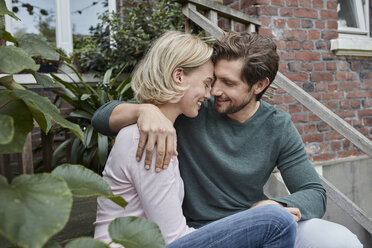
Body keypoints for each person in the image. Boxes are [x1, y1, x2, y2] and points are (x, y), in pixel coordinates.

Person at [93, 31, 362, 247]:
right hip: (198, 231)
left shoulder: (277, 125)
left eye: (228, 84)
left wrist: (279, 205)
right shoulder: (190, 109)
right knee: (274, 222)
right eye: (213, 80)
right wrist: (143, 110)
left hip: (255, 221)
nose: (214, 92)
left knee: (341, 241)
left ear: (259, 86)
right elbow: (100, 118)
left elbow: (314, 193)